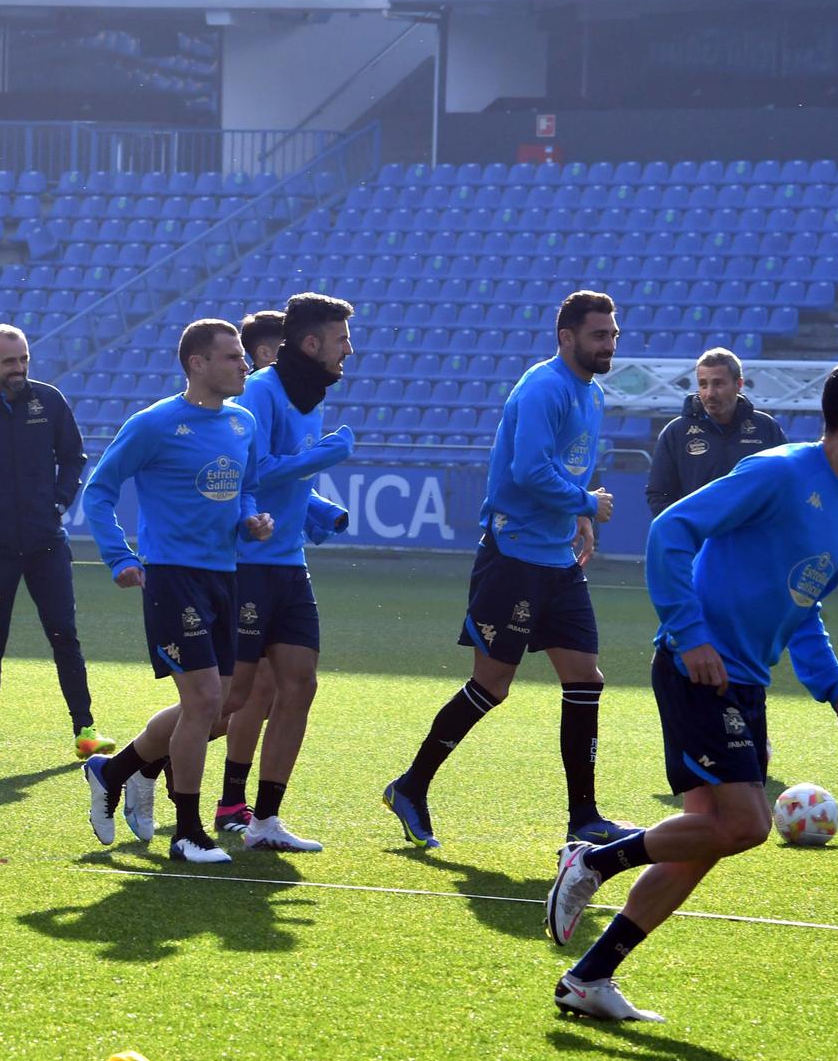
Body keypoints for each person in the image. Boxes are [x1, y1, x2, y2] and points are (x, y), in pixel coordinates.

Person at [543, 361, 838, 1021]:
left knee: (708, 837)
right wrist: (691, 634)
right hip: (699, 668)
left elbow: (802, 605)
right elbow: (670, 531)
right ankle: (594, 859)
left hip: (745, 679)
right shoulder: (780, 471)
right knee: (744, 824)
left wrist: (833, 686)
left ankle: (588, 978)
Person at [384, 290, 628, 850]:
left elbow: (565, 469)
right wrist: (588, 504)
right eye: (599, 335)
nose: (609, 343)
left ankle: (584, 818)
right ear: (567, 337)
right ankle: (410, 786)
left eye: (613, 334)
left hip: (557, 560)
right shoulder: (544, 387)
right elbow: (529, 469)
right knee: (492, 686)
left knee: (585, 680)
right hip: (514, 558)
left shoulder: (590, 393)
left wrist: (577, 515)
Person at [80, 318, 272, 866]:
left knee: (227, 706)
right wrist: (119, 555)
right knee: (206, 700)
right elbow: (100, 490)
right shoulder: (155, 424)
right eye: (234, 357)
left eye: (243, 356)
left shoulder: (242, 424)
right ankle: (187, 831)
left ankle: (116, 769)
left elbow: (246, 488)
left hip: (224, 575)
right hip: (172, 576)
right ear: (198, 364)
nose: (245, 365)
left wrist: (250, 521)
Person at [0, 323, 110, 764]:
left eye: (24, 358)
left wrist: (60, 500)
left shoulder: (48, 402)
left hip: (47, 542)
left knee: (64, 634)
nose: (19, 368)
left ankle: (85, 730)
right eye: (10, 361)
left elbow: (73, 457)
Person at [215, 293, 357, 852]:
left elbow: (289, 476)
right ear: (311, 344)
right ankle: (131, 764)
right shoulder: (260, 393)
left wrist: (319, 511)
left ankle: (264, 820)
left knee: (300, 684)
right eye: (342, 339)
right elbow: (252, 475)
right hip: (248, 564)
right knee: (229, 699)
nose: (350, 349)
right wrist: (322, 457)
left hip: (288, 561)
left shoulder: (309, 396)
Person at [646, 347, 788, 517]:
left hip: (753, 539)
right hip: (700, 540)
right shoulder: (676, 432)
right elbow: (659, 494)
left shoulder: (766, 427)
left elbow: (786, 483)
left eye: (718, 383)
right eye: (703, 384)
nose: (710, 393)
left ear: (739, 384)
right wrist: (686, 529)